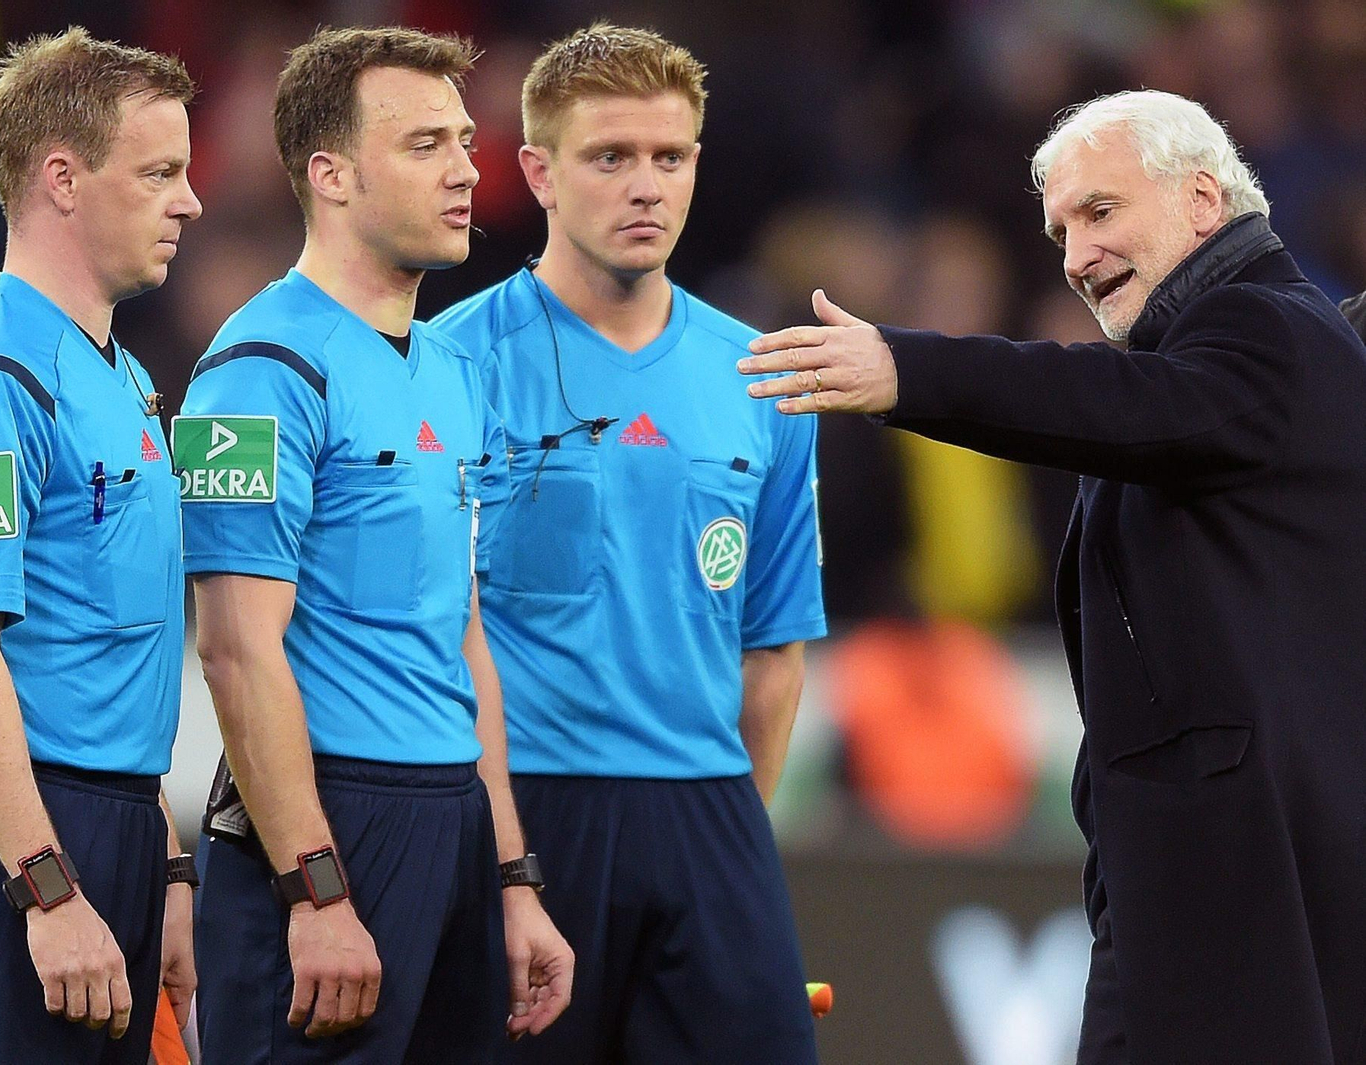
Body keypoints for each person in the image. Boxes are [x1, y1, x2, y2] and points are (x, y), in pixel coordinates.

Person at [740, 89, 1366, 1064]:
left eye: (1100, 213)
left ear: (1204, 201)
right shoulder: (1247, 351)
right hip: (1185, 873)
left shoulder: (1270, 333)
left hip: (1250, 877)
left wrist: (903, 370)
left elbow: (1097, 398)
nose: (1074, 258)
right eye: (1059, 231)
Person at [434, 24, 826, 1065]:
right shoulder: (448, 364)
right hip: (524, 819)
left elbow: (775, 649)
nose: (644, 186)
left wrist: (730, 836)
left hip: (709, 814)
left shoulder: (765, 376)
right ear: (538, 173)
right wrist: (500, 846)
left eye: (669, 157)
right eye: (610, 157)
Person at [180, 27, 572, 1064]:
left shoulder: (449, 370)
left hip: (451, 824)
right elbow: (234, 648)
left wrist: (511, 876)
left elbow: (465, 639)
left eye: (463, 139)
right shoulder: (258, 371)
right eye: (424, 145)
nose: (464, 168)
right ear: (333, 175)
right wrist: (313, 888)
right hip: (332, 822)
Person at [0, 28, 202, 1065]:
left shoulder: (119, 378)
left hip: (104, 830)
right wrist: (47, 887)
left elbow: (111, 652)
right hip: (7, 844)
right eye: (158, 172)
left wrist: (167, 861)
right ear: (62, 178)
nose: (189, 200)